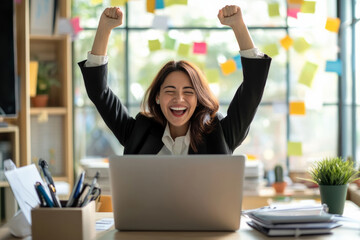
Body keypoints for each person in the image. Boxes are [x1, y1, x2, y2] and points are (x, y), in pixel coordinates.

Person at [78, 5, 271, 155]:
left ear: (198, 99)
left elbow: (252, 90)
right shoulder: (139, 132)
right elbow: (99, 92)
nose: (179, 99)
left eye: (188, 92)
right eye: (170, 91)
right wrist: (104, 28)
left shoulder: (220, 133)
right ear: (157, 97)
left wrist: (238, 26)